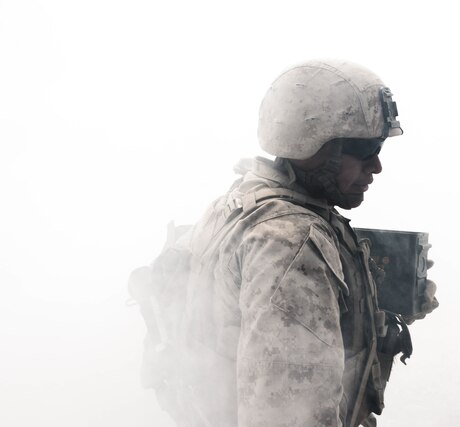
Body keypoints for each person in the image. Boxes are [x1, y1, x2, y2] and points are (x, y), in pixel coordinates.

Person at [130, 59, 438, 427]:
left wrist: (374, 308)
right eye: (366, 149)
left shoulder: (247, 200)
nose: (377, 167)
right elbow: (288, 415)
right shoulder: (291, 246)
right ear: (316, 146)